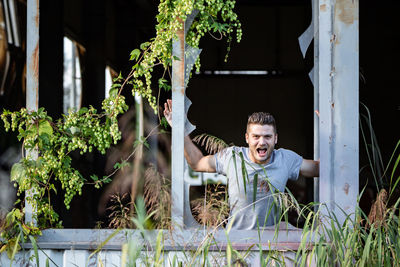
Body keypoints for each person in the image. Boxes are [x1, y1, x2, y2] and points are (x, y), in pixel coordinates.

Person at [163, 99, 319, 230]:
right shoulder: (232, 156)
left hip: (272, 244)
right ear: (247, 138)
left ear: (275, 139)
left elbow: (319, 169)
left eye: (267, 137)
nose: (262, 142)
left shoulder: (286, 159)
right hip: (236, 242)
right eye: (256, 136)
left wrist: (329, 124)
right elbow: (197, 163)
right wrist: (179, 129)